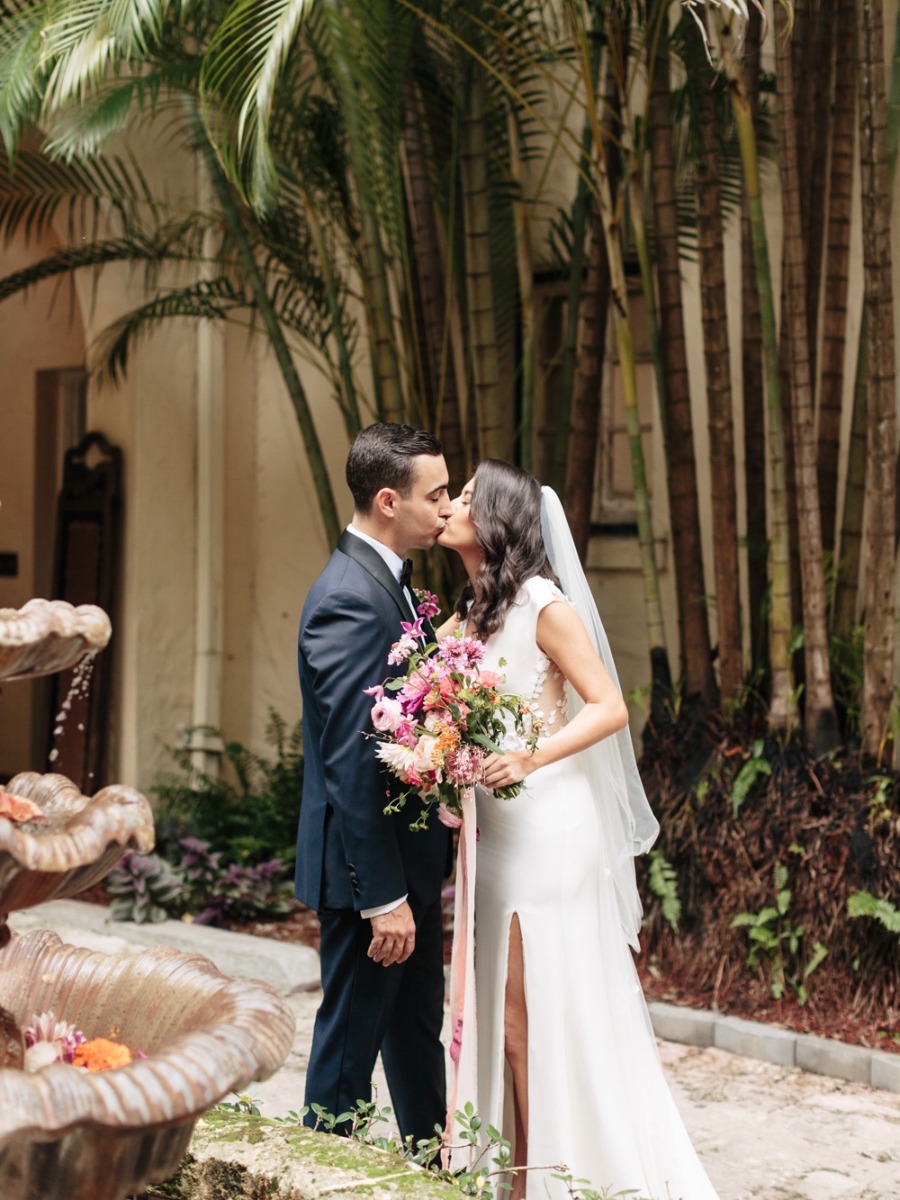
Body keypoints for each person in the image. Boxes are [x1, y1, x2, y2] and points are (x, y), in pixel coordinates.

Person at [436, 459, 721, 1200]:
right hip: (492, 836)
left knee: (530, 1019)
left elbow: (608, 706)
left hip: (547, 833)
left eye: (466, 496)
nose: (452, 506)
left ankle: (544, 1180)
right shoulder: (466, 619)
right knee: (501, 1017)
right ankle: (518, 1171)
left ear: (497, 519)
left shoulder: (542, 604)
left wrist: (528, 754)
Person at [295, 422, 453, 1146]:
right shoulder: (349, 599)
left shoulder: (392, 587)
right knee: (348, 1055)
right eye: (438, 494)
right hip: (372, 883)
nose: (448, 508)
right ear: (389, 501)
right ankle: (318, 1176)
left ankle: (432, 1169)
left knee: (416, 1034)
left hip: (406, 868)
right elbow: (351, 761)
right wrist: (383, 897)